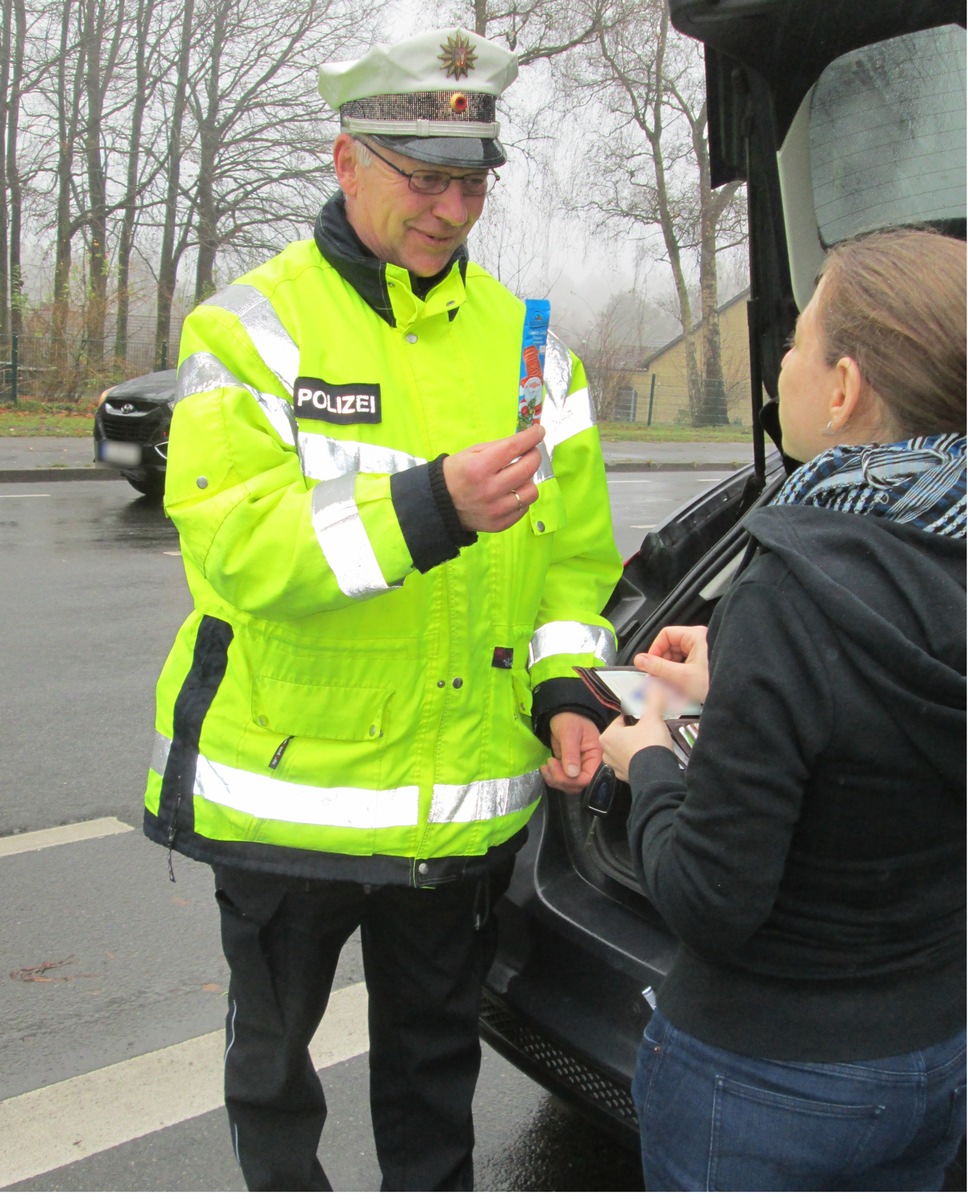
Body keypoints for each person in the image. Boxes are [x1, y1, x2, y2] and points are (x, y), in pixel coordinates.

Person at [142, 26, 622, 1192]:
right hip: (287, 799)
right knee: (272, 1075)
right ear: (346, 159)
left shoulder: (533, 351)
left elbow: (573, 563)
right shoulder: (249, 329)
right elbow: (235, 542)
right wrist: (429, 506)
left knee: (430, 1080)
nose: (452, 210)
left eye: (472, 182)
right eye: (425, 179)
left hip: (453, 810)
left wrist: (563, 686)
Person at [600, 228, 966, 1191]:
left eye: (798, 343)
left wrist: (646, 758)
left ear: (843, 388)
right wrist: (747, 687)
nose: (786, 368)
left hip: (765, 1085)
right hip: (933, 1055)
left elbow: (713, 900)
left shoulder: (796, 582)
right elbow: (898, 724)